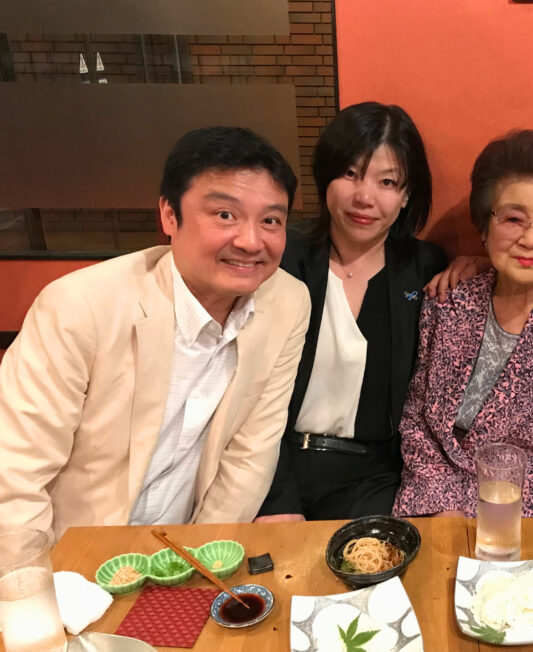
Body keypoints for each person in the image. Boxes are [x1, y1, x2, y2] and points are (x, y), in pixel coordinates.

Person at [0, 126, 311, 539]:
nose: (251, 241)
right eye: (225, 215)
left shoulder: (287, 302)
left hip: (184, 549)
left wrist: (198, 558)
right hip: (75, 552)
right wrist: (40, 577)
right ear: (169, 215)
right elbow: (14, 475)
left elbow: (250, 455)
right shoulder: (81, 306)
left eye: (270, 220)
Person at [393, 129, 533, 518]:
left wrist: (500, 515)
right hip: (434, 502)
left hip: (532, 513)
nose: (530, 239)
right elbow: (418, 422)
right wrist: (441, 509)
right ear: (485, 226)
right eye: (514, 219)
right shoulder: (448, 302)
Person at [256, 102, 447, 522]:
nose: (365, 197)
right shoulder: (280, 258)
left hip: (374, 479)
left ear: (406, 195)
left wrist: (477, 265)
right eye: (350, 173)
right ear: (325, 177)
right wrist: (276, 500)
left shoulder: (426, 269)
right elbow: (246, 391)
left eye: (387, 181)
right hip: (273, 464)